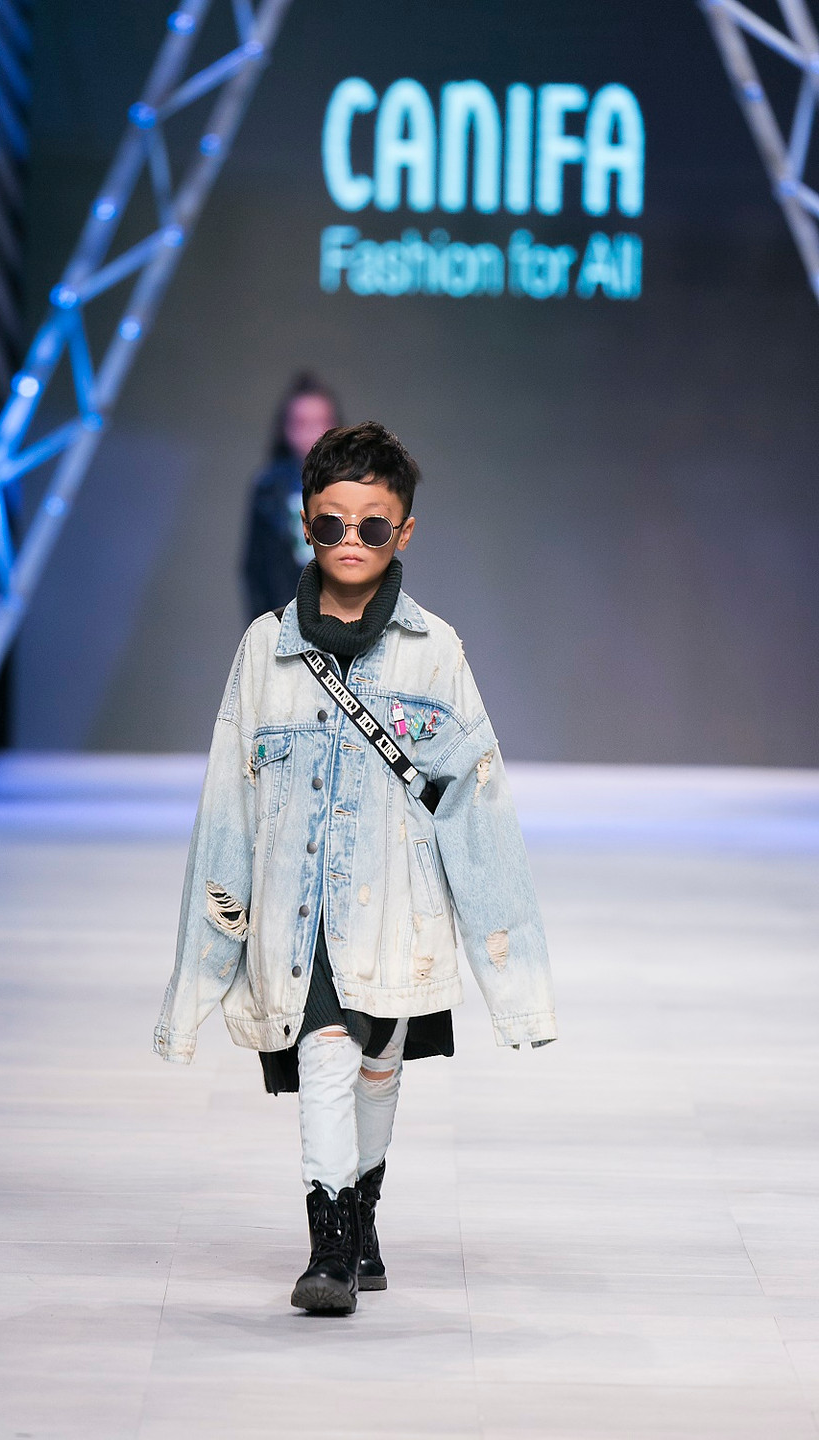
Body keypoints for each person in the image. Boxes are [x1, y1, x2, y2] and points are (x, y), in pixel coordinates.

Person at [155, 421, 557, 1316]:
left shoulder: (435, 651)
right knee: (328, 1052)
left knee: (379, 1062)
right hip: (296, 912)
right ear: (306, 524)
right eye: (331, 523)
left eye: (372, 526)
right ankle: (330, 1246)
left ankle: (364, 1212)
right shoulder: (264, 648)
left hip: (396, 906)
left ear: (403, 531)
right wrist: (200, 970)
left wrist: (514, 982)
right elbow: (228, 801)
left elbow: (476, 805)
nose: (350, 541)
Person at [241, 373, 340, 622]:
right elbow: (256, 567)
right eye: (302, 423)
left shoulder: (354, 486)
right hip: (284, 613)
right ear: (286, 429)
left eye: (321, 422)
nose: (313, 433)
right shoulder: (268, 489)